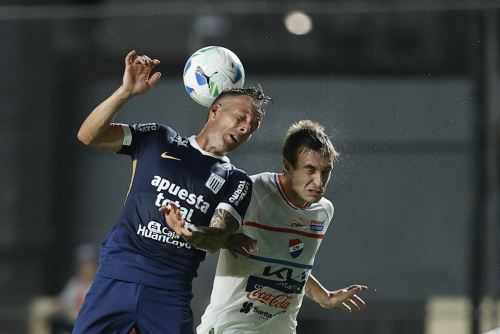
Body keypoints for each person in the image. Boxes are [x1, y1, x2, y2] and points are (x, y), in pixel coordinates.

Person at [73, 50, 271, 334]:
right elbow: (88, 136)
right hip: (117, 277)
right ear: (215, 110)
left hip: (169, 291)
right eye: (241, 117)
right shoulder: (157, 139)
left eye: (252, 126)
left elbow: (218, 237)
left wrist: (189, 231)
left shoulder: (236, 180)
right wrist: (126, 93)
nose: (245, 128)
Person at [164, 120, 367, 334]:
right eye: (310, 170)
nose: (319, 182)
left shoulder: (323, 211)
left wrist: (324, 297)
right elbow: (212, 236)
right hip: (231, 327)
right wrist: (187, 230)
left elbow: (292, 267)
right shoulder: (250, 192)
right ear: (287, 167)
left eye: (326, 171)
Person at [48, 244, 98, 334]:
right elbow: (62, 302)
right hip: (70, 321)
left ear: (95, 265)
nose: (85, 268)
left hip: (89, 325)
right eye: (82, 264)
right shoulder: (74, 282)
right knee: (40, 308)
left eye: (88, 264)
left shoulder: (99, 284)